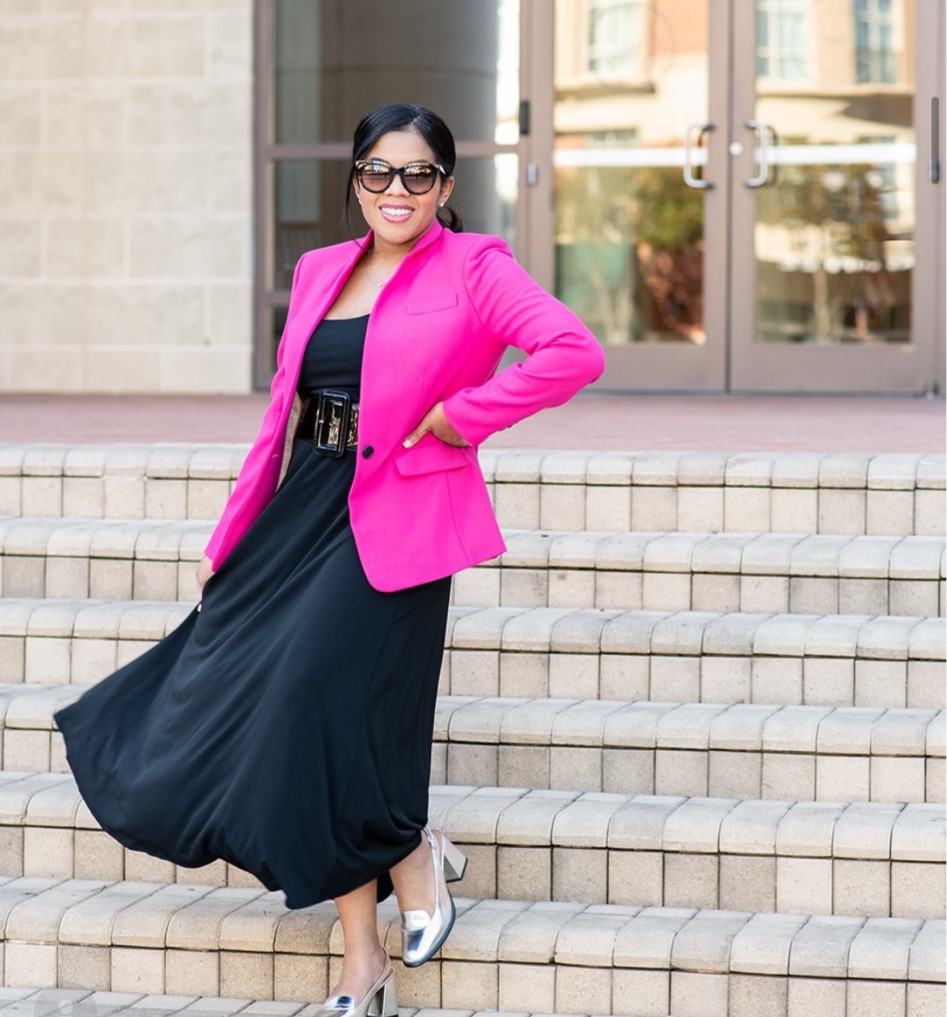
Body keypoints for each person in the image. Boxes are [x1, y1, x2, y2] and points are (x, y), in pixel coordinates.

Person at [54, 102, 605, 1017]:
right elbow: (276, 418)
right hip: (300, 506)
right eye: (378, 173)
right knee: (291, 716)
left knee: (316, 700)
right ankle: (370, 943)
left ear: (445, 186)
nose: (397, 190)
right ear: (355, 180)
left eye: (418, 174)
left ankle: (407, 858)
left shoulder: (475, 266)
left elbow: (569, 351)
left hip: (399, 509)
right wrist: (228, 537)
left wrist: (460, 418)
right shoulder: (319, 269)